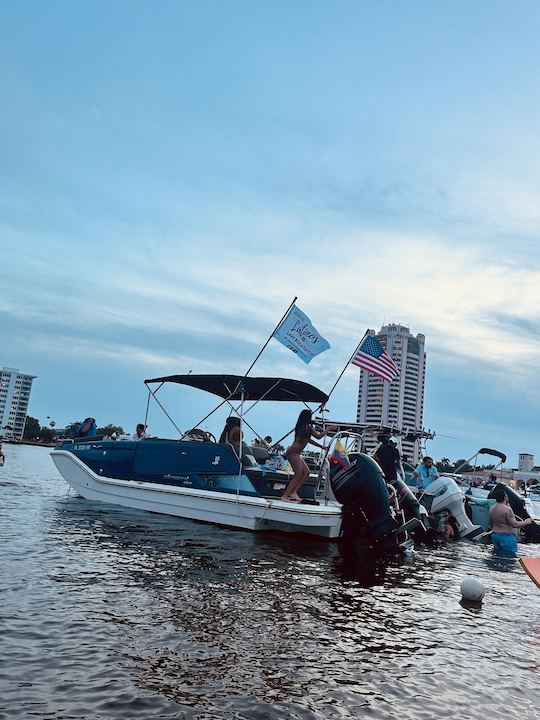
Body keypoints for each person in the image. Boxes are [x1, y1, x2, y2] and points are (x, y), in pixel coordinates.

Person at [282, 410, 335, 503]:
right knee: (298, 475)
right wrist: (328, 429)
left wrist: (321, 447)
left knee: (306, 472)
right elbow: (319, 437)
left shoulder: (303, 428)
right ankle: (285, 495)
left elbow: (308, 440)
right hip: (293, 453)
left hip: (296, 453)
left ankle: (294, 492)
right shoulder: (307, 428)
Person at [488, 487, 533, 555]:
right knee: (509, 558)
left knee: (497, 555)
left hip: (495, 536)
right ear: (505, 497)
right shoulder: (507, 509)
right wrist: (526, 522)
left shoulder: (492, 508)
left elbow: (490, 523)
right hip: (507, 538)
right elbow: (514, 524)